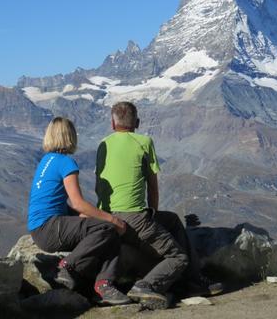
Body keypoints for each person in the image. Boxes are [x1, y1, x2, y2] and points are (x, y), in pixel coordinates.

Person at [27, 116, 131, 306]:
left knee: (108, 236)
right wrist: (112, 219)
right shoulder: (65, 162)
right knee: (107, 229)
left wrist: (82, 218)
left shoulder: (46, 161)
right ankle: (67, 267)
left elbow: (56, 201)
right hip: (51, 228)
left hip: (40, 229)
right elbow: (77, 203)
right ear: (70, 136)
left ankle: (104, 286)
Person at [95, 101, 189, 307]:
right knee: (179, 257)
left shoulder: (103, 144)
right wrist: (152, 215)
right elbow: (152, 187)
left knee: (172, 219)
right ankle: (147, 286)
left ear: (113, 123)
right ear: (137, 122)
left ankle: (193, 280)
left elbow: (99, 186)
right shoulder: (144, 141)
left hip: (106, 217)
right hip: (134, 217)